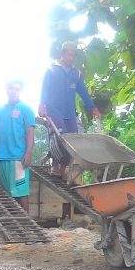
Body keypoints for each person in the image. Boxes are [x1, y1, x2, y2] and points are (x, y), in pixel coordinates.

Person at [39, 41, 101, 176]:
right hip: (54, 110)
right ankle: (55, 164)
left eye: (74, 56)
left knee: (73, 140)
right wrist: (42, 105)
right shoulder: (52, 69)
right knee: (61, 136)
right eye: (69, 55)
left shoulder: (76, 73)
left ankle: (63, 168)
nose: (71, 58)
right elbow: (44, 89)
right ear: (62, 54)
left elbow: (83, 92)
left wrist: (92, 107)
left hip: (70, 112)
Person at [0, 80, 36, 212]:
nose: (13, 91)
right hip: (2, 158)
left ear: (20, 91)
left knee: (21, 192)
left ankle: (26, 225)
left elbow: (30, 132)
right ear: (6, 90)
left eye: (17, 89)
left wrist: (28, 153)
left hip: (18, 158)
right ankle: (14, 223)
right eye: (11, 88)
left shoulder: (26, 109)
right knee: (8, 193)